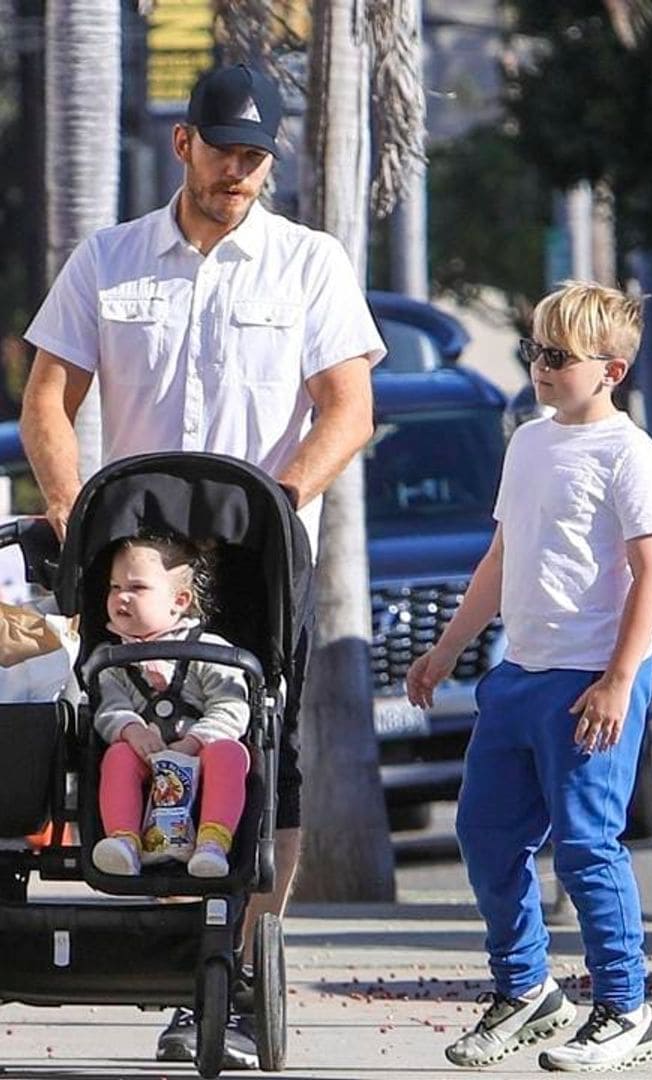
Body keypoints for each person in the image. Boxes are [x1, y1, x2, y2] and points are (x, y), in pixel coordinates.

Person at [19, 63, 385, 1069]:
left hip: (257, 548)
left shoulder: (308, 263)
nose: (241, 170)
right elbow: (47, 398)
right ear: (184, 145)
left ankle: (246, 965)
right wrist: (71, 509)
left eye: (258, 155)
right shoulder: (112, 258)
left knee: (267, 753)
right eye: (225, 149)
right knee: (130, 734)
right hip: (134, 553)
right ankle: (182, 958)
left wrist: (278, 505)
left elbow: (346, 408)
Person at [406, 281, 652, 1073]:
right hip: (518, 675)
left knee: (588, 849)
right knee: (486, 835)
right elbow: (500, 557)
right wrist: (449, 646)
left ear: (611, 370)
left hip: (589, 681)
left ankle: (626, 1009)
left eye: (559, 356)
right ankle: (526, 990)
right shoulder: (527, 441)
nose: (541, 366)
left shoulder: (630, 454)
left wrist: (620, 678)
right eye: (534, 350)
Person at [92, 535, 250, 880]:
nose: (121, 596)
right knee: (117, 756)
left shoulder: (210, 651)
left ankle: (212, 843)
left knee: (229, 753)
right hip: (145, 759)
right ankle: (125, 843)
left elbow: (231, 706)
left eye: (137, 587)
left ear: (178, 601)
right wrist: (130, 729)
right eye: (114, 586)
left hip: (199, 757)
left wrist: (195, 742)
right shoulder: (110, 662)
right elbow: (108, 708)